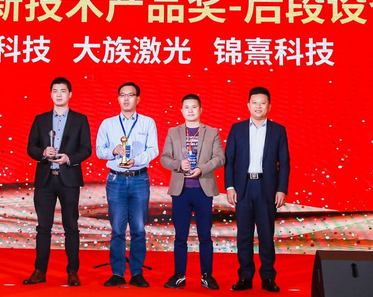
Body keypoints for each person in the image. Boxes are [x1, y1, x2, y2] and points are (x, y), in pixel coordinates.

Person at [23, 77, 92, 287]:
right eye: (55, 91)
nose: (59, 94)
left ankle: (73, 272)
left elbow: (86, 149)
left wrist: (69, 158)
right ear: (51, 94)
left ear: (70, 94)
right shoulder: (40, 119)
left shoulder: (80, 119)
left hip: (69, 180)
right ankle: (39, 271)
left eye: (63, 90)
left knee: (71, 227)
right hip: (45, 180)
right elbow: (31, 147)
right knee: (43, 227)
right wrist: (43, 153)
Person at [224, 87, 290, 292]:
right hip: (243, 188)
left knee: (266, 235)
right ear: (248, 105)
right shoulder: (237, 129)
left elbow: (284, 163)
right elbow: (229, 160)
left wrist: (281, 189)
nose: (258, 106)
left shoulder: (278, 130)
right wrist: (230, 186)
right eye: (255, 102)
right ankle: (245, 277)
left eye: (263, 102)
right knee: (244, 235)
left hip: (267, 188)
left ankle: (268, 277)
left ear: (269, 106)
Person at [95, 82, 159, 287]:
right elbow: (99, 151)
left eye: (130, 95)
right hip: (116, 180)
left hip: (139, 179)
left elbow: (153, 150)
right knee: (117, 229)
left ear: (138, 99)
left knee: (138, 229)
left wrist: (136, 160)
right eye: (122, 95)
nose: (126, 98)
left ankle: (137, 273)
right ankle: (118, 273)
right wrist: (113, 151)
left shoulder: (147, 123)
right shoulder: (108, 124)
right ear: (118, 98)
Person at [160, 94, 225, 290]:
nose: (190, 110)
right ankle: (179, 275)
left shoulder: (211, 132)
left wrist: (202, 169)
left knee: (205, 235)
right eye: (186, 107)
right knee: (180, 236)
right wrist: (179, 164)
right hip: (181, 191)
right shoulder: (173, 132)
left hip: (203, 190)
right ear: (181, 111)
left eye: (194, 107)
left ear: (200, 110)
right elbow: (164, 158)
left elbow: (220, 158)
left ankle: (207, 276)